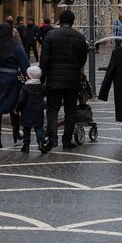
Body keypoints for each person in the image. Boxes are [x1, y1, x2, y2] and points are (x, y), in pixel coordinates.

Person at [39, 10, 88, 150]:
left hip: (54, 79)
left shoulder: (50, 35)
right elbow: (83, 59)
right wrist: (75, 68)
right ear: (73, 21)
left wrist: (42, 78)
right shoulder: (79, 37)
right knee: (70, 111)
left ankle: (52, 138)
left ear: (60, 21)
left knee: (52, 110)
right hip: (72, 79)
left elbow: (45, 59)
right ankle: (67, 141)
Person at [0, 22, 30, 148]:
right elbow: (24, 64)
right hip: (11, 78)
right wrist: (27, 78)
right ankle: (15, 132)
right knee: (13, 105)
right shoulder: (14, 46)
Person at [14, 65, 48, 153]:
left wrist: (17, 109)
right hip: (38, 111)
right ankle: (40, 143)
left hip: (27, 112)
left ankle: (26, 145)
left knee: (26, 129)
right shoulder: (41, 87)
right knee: (38, 128)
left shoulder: (25, 88)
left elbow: (21, 100)